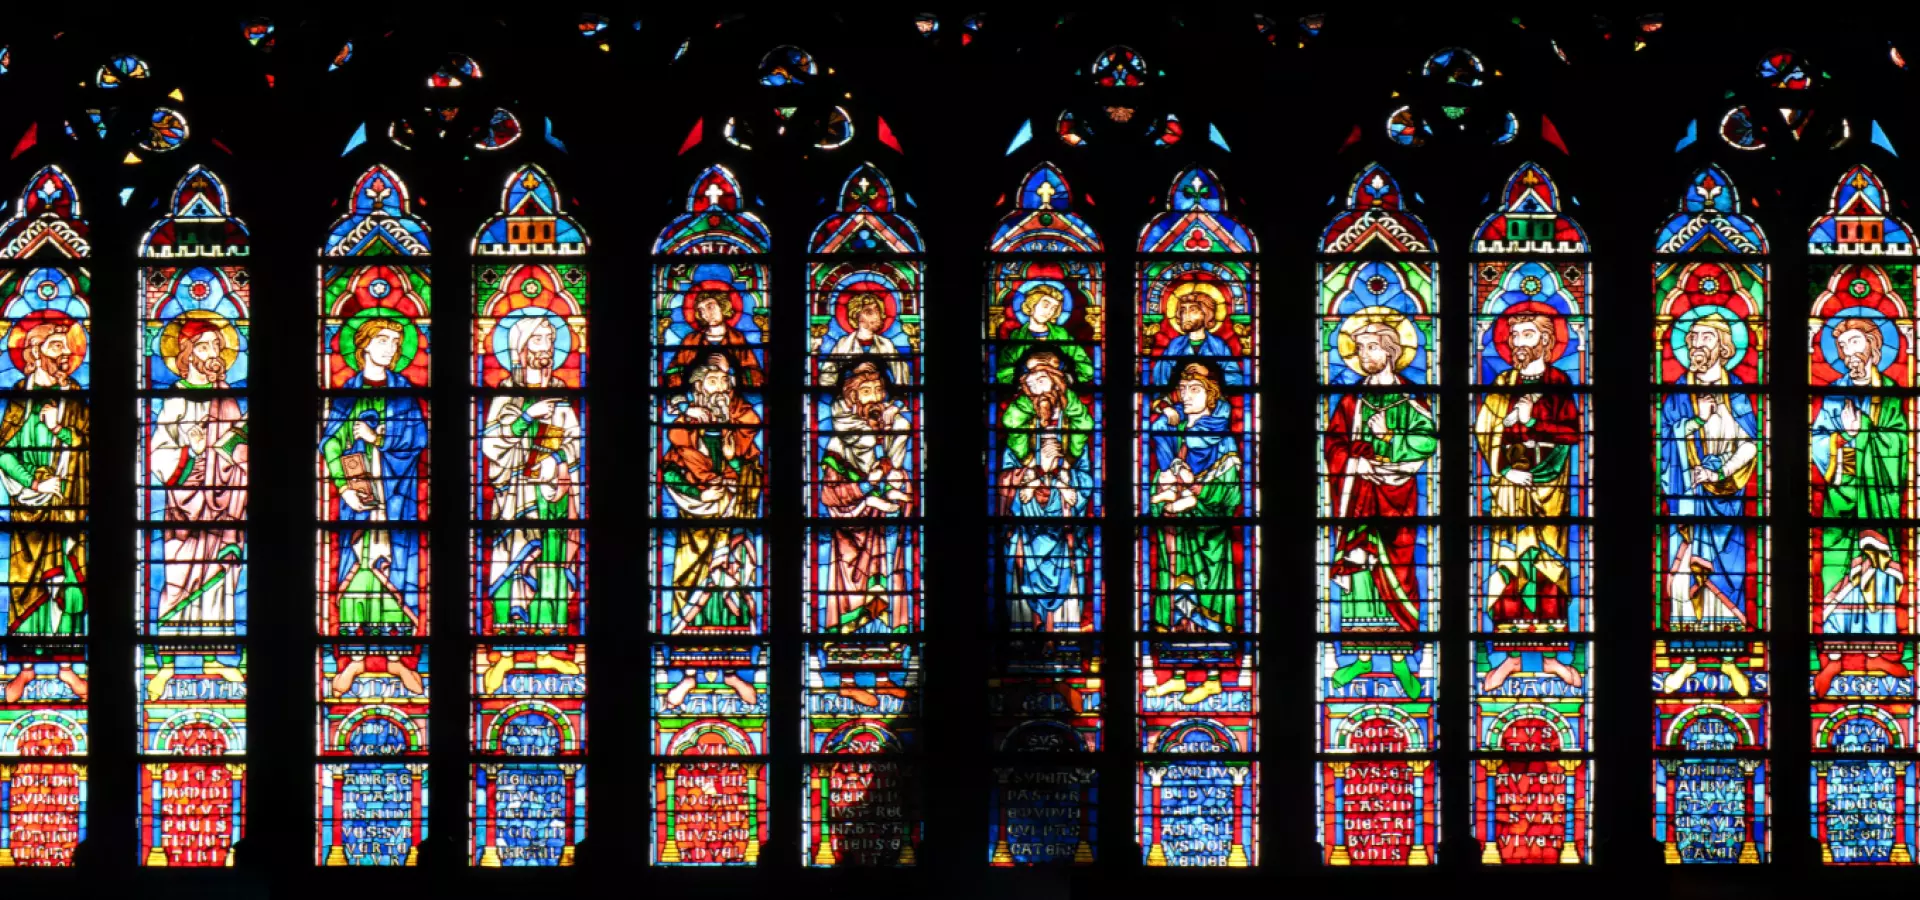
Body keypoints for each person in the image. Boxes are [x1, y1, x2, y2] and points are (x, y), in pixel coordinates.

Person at [1320, 320, 1437, 697]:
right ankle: (1361, 657)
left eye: (1371, 347)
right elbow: (1333, 445)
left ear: (1389, 350)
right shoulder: (1352, 399)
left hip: (1398, 496)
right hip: (1358, 496)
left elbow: (1428, 440)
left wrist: (1390, 438)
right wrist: (1355, 463)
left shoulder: (1411, 396)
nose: (1364, 355)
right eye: (1359, 349)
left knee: (1400, 569)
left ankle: (1403, 659)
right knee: (1359, 572)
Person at [319, 318, 426, 691]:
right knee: (356, 578)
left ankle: (398, 661)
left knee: (394, 573)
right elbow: (330, 443)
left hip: (397, 501)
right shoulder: (348, 391)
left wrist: (377, 438)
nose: (390, 348)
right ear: (363, 345)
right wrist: (342, 487)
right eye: (383, 340)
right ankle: (354, 660)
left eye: (396, 342)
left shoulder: (405, 391)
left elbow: (417, 440)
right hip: (359, 502)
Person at [659, 354, 765, 704]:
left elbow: (754, 468)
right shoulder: (684, 429)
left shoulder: (741, 427)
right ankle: (688, 675)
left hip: (733, 519)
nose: (724, 388)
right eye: (716, 381)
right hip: (695, 523)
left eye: (727, 382)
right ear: (699, 387)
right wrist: (699, 491)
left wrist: (741, 481)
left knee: (731, 587)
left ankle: (733, 671)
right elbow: (670, 473)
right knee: (690, 585)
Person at [1473, 313, 1582, 631]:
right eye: (1514, 335)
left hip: (1550, 486)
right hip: (1510, 486)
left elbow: (1571, 432)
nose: (1518, 342)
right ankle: (1508, 624)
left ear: (1546, 341)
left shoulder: (1559, 383)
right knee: (1511, 548)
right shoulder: (1503, 384)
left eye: (1527, 335)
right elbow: (1485, 431)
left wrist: (1533, 419)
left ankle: (1550, 623)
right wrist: (1504, 470)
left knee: (1546, 553)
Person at [480, 315, 583, 634]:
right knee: (516, 549)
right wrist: (527, 416)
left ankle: (550, 627)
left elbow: (575, 442)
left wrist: (561, 463)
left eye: (551, 341)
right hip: (516, 496)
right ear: (521, 350)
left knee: (552, 557)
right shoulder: (507, 392)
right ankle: (509, 626)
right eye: (539, 340)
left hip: (554, 496)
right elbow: (490, 444)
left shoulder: (560, 392)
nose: (547, 348)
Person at [1660, 314, 1759, 633]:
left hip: (1727, 502)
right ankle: (1686, 653)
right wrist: (1696, 422)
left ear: (1724, 346)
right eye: (1693, 338)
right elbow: (1663, 444)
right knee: (1683, 576)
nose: (1697, 345)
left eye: (1706, 338)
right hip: (1687, 499)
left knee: (1727, 574)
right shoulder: (1678, 392)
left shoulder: (1737, 391)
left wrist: (1719, 474)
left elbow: (1751, 445)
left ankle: (1730, 656)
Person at [148, 319, 247, 633]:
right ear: (187, 354)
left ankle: (215, 651)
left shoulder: (226, 396)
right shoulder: (175, 399)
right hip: (184, 509)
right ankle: (171, 651)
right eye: (204, 346)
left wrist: (232, 449)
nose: (212, 354)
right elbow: (158, 456)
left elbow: (242, 451)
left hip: (224, 506)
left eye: (216, 346)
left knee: (219, 578)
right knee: (179, 580)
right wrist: (189, 452)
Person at [1, 320, 87, 636]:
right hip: (28, 510)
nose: (65, 353)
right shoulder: (19, 396)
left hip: (68, 505)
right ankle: (25, 660)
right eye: (56, 346)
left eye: (67, 346)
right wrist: (33, 483)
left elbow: (90, 445)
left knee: (70, 582)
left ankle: (67, 660)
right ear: (36, 352)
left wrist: (58, 429)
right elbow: (3, 452)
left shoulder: (74, 395)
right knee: (29, 586)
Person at [1145, 363, 1243, 643]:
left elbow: (1231, 492)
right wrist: (1166, 494)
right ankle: (1176, 642)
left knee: (1206, 601)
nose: (1185, 395)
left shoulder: (1222, 440)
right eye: (1182, 389)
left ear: (1212, 394)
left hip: (1208, 535)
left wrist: (1193, 499)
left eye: (1195, 389)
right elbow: (1156, 480)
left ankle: (1212, 651)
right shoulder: (1174, 432)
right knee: (1176, 594)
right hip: (1174, 533)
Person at [997, 351, 1095, 630]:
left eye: (1047, 381)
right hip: (1027, 524)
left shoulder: (1072, 430)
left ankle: (1064, 639)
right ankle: (1027, 639)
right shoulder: (1019, 431)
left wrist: (1063, 476)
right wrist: (1029, 475)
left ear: (1058, 385)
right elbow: (1005, 476)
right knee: (1022, 574)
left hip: (1062, 524)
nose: (1042, 389)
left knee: (1067, 578)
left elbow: (1085, 477)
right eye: (1034, 382)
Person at [817, 362, 914, 633]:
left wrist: (897, 490)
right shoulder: (838, 444)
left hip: (882, 535)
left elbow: (896, 481)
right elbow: (829, 494)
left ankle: (887, 664)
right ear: (853, 398)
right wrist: (867, 491)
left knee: (885, 593)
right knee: (852, 601)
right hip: (849, 537)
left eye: (879, 391)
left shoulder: (893, 434)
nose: (876, 398)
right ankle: (846, 666)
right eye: (867, 391)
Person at [995, 284, 1094, 386]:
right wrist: (1025, 378)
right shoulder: (1018, 337)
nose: (1049, 312)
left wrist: (1066, 379)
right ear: (1032, 304)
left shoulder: (1061, 335)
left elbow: (1086, 368)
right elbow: (1003, 372)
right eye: (1045, 305)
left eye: (1054, 308)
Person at [665, 287, 763, 388]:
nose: (705, 314)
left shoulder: (737, 339)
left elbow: (756, 378)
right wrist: (699, 372)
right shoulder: (691, 340)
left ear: (723, 307)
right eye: (701, 310)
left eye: (710, 307)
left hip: (731, 401)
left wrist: (729, 370)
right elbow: (672, 375)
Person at [1149, 284, 1243, 387]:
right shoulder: (1174, 346)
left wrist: (1209, 374)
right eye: (1183, 310)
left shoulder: (1218, 346)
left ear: (1206, 314)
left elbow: (1235, 380)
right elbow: (1160, 380)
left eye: (1193, 310)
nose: (1186, 315)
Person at [823, 291, 910, 386]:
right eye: (870, 312)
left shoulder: (886, 344)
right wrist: (853, 371)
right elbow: (826, 379)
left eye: (878, 311)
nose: (878, 316)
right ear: (857, 315)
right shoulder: (843, 344)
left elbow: (901, 377)